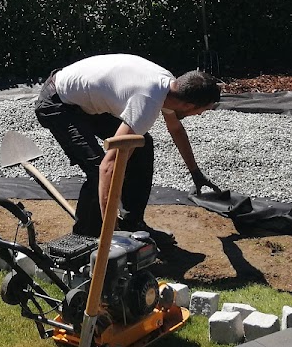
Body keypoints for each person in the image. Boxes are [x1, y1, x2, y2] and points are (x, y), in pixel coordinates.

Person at [35, 54, 221, 241]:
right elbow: (108, 167)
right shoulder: (147, 103)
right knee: (96, 167)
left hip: (83, 99)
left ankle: (132, 224)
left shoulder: (171, 88)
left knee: (141, 145)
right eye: (202, 110)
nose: (199, 115)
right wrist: (111, 228)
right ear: (188, 105)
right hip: (58, 103)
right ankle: (87, 237)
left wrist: (195, 172)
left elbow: (176, 129)